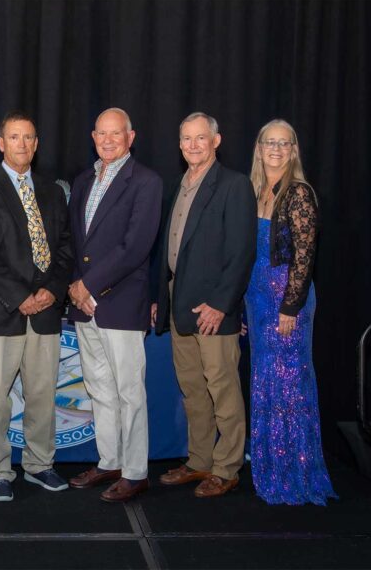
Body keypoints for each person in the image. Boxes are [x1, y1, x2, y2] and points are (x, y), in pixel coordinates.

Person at [0, 111, 73, 502]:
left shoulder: (52, 192)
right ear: (1, 143)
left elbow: (65, 247)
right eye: (14, 137)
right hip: (2, 311)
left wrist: (52, 291)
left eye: (28, 137)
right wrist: (20, 296)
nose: (22, 144)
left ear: (36, 144)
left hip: (45, 311)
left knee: (42, 394)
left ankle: (40, 464)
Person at [153, 112, 257, 498]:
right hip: (179, 303)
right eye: (186, 139)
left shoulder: (234, 185)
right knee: (193, 388)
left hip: (213, 310)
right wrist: (161, 299)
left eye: (200, 138)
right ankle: (199, 460)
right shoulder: (179, 185)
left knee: (222, 388)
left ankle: (227, 467)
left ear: (216, 141)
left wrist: (221, 304)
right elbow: (169, 250)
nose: (193, 145)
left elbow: (242, 252)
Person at [67, 108, 162, 502]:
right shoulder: (83, 180)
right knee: (99, 388)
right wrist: (76, 290)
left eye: (116, 133)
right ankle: (110, 461)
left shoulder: (146, 181)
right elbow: (76, 243)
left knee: (129, 392)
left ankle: (136, 472)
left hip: (120, 303)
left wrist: (88, 285)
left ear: (130, 137)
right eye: (101, 134)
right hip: (84, 305)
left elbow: (135, 246)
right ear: (93, 137)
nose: (108, 140)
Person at [244, 119, 337, 505]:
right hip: (256, 297)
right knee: (264, 378)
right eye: (270, 142)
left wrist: (290, 307)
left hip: (286, 300)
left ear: (293, 150)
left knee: (289, 381)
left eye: (284, 143)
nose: (276, 149)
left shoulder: (298, 193)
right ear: (259, 148)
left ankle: (294, 472)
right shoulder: (255, 190)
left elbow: (304, 257)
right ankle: (268, 462)